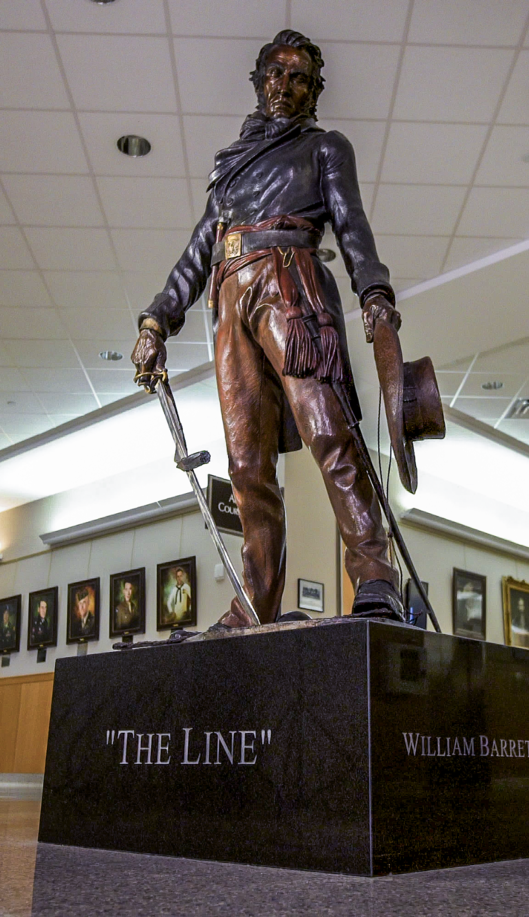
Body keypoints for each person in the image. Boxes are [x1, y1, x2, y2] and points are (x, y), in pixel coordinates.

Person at [132, 30, 403, 630]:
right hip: (229, 300)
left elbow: (352, 225)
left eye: (299, 76)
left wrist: (374, 293)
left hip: (291, 286)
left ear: (313, 91)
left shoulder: (326, 147)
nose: (285, 84)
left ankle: (375, 576)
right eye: (275, 74)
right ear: (259, 84)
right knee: (247, 464)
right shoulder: (231, 168)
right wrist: (158, 318)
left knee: (329, 431)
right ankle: (256, 603)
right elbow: (202, 245)